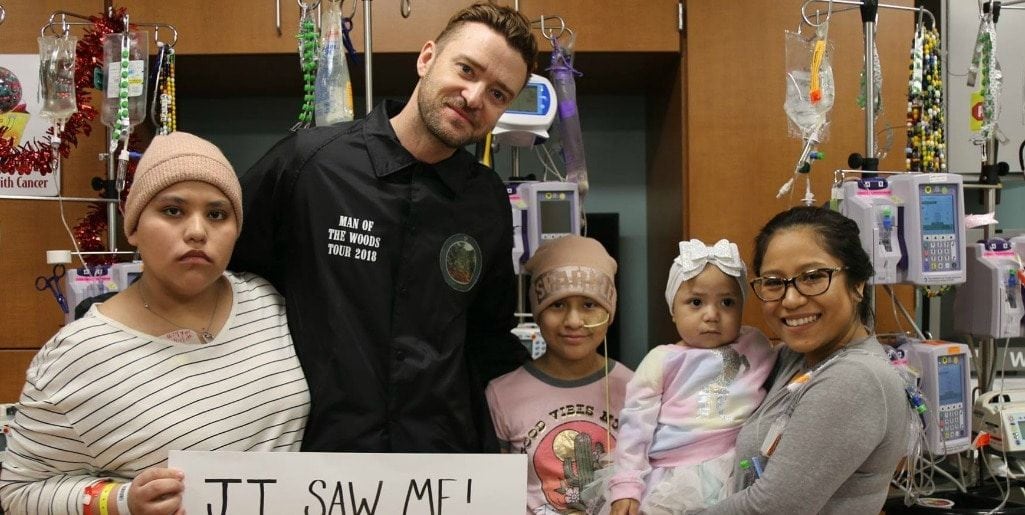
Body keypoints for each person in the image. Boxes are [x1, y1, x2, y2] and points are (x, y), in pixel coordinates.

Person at [230, 3, 538, 453]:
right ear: (427, 58)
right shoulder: (310, 164)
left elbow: (487, 337)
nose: (474, 97)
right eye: (466, 70)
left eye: (497, 94)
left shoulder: (486, 200)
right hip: (315, 454)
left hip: (438, 460)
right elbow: (222, 279)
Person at [0, 132, 310, 515]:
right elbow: (18, 492)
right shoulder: (78, 357)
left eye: (217, 214)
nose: (198, 231)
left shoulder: (269, 304)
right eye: (172, 211)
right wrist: (120, 501)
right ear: (133, 226)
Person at [700, 206, 913, 514]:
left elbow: (772, 508)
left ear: (857, 285)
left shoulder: (854, 380)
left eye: (813, 277)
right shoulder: (795, 359)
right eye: (774, 281)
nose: (791, 299)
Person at [607, 239, 776, 515]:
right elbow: (635, 427)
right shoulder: (661, 360)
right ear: (673, 310)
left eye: (727, 302)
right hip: (675, 475)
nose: (712, 315)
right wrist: (627, 484)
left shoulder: (755, 344)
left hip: (738, 467)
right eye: (696, 302)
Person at [485, 236, 633, 515]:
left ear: (609, 310)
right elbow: (497, 498)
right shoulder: (501, 394)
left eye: (589, 305)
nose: (573, 321)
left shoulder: (637, 389)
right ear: (538, 312)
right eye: (557, 305)